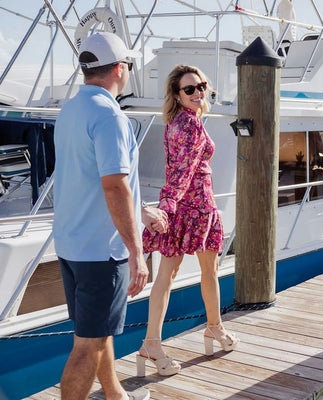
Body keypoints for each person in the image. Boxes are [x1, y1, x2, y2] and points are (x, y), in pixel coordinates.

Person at [53, 32, 166, 400]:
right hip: (102, 252)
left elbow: (96, 177)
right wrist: (136, 251)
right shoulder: (109, 116)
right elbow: (114, 187)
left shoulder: (71, 110)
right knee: (88, 345)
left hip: (71, 245)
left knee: (95, 334)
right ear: (119, 69)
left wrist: (140, 209)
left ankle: (116, 395)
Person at [139, 65, 239, 373]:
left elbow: (177, 169)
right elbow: (181, 173)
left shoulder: (177, 122)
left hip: (197, 205)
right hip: (192, 207)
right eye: (190, 89)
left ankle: (208, 328)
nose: (198, 93)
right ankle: (201, 331)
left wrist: (169, 204)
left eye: (201, 86)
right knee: (195, 272)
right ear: (177, 94)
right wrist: (167, 207)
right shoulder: (191, 126)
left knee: (188, 272)